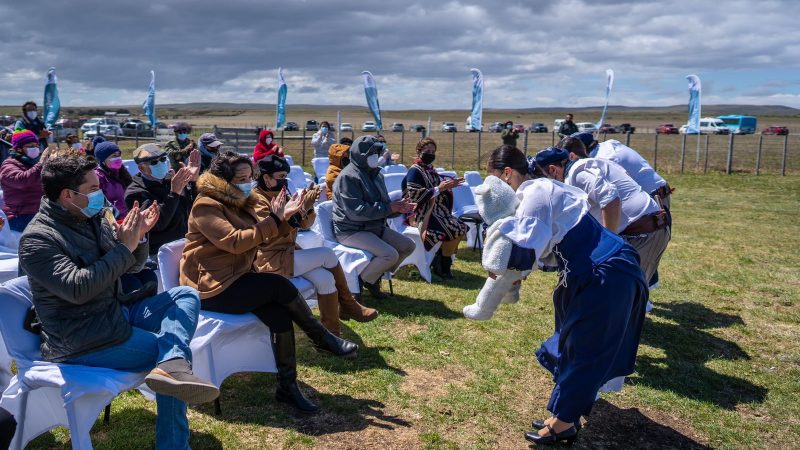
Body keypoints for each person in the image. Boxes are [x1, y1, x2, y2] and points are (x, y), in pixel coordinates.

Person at [19, 155, 219, 450]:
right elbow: (79, 289)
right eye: (93, 187)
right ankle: (174, 442)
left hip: (115, 311)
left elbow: (132, 266)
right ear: (67, 195)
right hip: (81, 337)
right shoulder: (38, 240)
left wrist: (138, 238)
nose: (100, 192)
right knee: (166, 355)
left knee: (184, 295)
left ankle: (172, 365)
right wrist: (124, 247)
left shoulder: (91, 216)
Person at [483, 145, 647, 445]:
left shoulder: (535, 193)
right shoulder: (536, 191)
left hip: (604, 270)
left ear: (506, 174)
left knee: (585, 347)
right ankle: (562, 413)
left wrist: (503, 276)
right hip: (590, 269)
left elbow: (525, 250)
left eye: (491, 177)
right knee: (571, 341)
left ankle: (563, 424)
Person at [180, 151, 357, 413]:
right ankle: (321, 337)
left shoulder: (242, 200)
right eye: (241, 178)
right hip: (211, 287)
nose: (248, 182)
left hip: (236, 278)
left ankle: (287, 388)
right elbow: (236, 241)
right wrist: (275, 219)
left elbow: (265, 237)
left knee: (279, 316)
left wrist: (289, 217)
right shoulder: (206, 205)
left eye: (249, 177)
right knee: (278, 285)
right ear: (223, 181)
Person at [253, 155, 378, 336]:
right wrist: (300, 209)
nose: (284, 181)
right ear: (266, 178)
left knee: (325, 279)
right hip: (270, 260)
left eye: (285, 176)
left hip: (288, 254)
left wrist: (308, 207)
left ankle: (330, 335)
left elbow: (305, 225)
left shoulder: (283, 192)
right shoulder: (257, 200)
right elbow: (269, 234)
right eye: (280, 177)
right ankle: (349, 303)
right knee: (327, 254)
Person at [547, 139, 671, 286]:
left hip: (642, 233)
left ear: (571, 156)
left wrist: (608, 243)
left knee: (619, 294)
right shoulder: (593, 166)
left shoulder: (579, 172)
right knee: (617, 293)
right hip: (641, 231)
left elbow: (610, 199)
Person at [332, 136, 416, 299]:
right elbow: (356, 212)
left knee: (408, 246)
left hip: (373, 227)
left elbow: (384, 206)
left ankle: (372, 277)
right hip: (351, 229)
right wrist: (389, 208)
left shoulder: (377, 175)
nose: (375, 156)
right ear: (360, 154)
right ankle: (359, 282)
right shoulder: (348, 177)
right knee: (390, 255)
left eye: (377, 152)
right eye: (371, 152)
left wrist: (399, 208)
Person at [402, 138, 468, 279]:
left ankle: (441, 260)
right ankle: (443, 265)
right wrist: (439, 188)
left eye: (433, 151)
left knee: (461, 227)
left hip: (436, 210)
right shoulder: (415, 171)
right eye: (427, 151)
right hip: (421, 213)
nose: (431, 154)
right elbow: (414, 196)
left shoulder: (431, 170)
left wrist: (448, 186)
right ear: (419, 152)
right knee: (453, 228)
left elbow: (438, 190)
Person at [125, 144, 198, 257]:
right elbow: (157, 224)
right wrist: (174, 193)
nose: (161, 164)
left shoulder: (171, 179)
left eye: (163, 159)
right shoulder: (135, 192)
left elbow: (191, 208)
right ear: (142, 168)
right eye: (154, 162)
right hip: (160, 252)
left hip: (184, 243)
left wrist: (192, 182)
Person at [570, 132, 673, 209]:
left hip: (652, 196)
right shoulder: (610, 144)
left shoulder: (602, 159)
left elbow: (611, 194)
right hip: (659, 190)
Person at [0, 130, 47, 232]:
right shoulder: (9, 165)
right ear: (19, 149)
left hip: (40, 212)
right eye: (30, 146)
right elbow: (22, 181)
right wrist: (41, 164)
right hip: (20, 217)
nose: (35, 148)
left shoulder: (35, 163)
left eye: (36, 145)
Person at [94, 141, 132, 218]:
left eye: (119, 154)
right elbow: (97, 206)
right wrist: (117, 207)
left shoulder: (122, 172)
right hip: (112, 222)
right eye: (114, 155)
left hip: (127, 218)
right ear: (103, 160)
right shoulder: (98, 177)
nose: (118, 158)